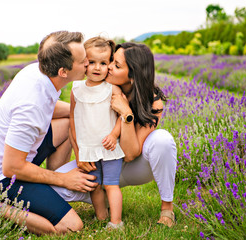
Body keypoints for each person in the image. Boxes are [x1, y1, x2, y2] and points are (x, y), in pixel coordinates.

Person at [0, 31, 98, 235]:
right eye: (83, 61)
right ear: (63, 71)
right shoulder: (30, 107)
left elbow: (49, 108)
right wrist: (64, 179)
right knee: (71, 227)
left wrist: (83, 108)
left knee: (70, 122)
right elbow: (11, 167)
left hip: (18, 153)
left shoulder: (37, 72)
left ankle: (54, 190)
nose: (88, 64)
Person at [52, 42, 177, 227]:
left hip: (133, 166)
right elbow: (74, 116)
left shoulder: (153, 102)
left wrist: (126, 113)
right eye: (111, 61)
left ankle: (167, 208)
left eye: (116, 65)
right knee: (54, 188)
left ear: (133, 75)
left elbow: (131, 153)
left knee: (162, 140)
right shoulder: (97, 88)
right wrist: (80, 156)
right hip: (98, 159)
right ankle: (106, 202)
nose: (108, 67)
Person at [70, 37, 125, 229]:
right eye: (91, 62)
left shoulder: (112, 89)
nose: (96, 67)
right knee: (94, 186)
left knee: (111, 185)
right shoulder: (76, 88)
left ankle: (116, 222)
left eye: (103, 63)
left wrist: (114, 135)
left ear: (110, 64)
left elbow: (122, 116)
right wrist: (78, 152)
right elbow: (73, 120)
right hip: (88, 148)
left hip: (109, 147)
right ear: (84, 62)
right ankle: (101, 217)